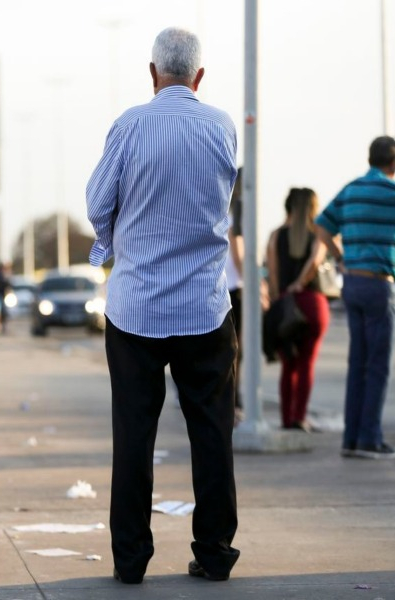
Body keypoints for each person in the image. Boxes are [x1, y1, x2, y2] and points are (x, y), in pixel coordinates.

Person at [86, 27, 239, 585]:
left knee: (134, 435)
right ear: (199, 77)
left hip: (137, 310)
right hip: (204, 305)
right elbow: (221, 201)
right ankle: (215, 553)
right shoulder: (222, 127)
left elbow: (99, 201)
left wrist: (111, 244)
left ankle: (130, 561)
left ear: (153, 74)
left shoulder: (129, 125)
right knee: (212, 434)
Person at [315, 136, 395, 459]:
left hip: (352, 283)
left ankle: (352, 438)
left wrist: (341, 256)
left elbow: (321, 226)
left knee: (358, 363)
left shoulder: (351, 189)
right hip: (380, 286)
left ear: (370, 158)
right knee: (377, 366)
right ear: (394, 162)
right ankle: (369, 438)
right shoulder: (394, 193)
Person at [266, 188, 330, 432]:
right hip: (312, 304)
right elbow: (315, 262)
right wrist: (301, 283)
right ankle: (300, 417)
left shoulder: (275, 236)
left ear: (288, 207)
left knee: (288, 365)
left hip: (285, 305)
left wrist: (279, 297)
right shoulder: (318, 235)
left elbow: (272, 275)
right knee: (306, 364)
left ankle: (286, 419)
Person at [225, 168, 245, 424]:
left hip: (224, 286)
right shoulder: (237, 213)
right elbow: (239, 252)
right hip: (235, 287)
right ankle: (234, 401)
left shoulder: (220, 209)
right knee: (234, 350)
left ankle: (233, 400)